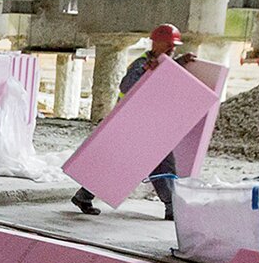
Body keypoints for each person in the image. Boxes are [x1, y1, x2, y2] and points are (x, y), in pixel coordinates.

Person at [71, 23, 196, 221]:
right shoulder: (142, 64)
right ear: (156, 43)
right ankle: (171, 207)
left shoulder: (163, 62)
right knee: (149, 162)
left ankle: (84, 195)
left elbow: (166, 74)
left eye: (175, 46)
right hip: (132, 123)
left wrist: (180, 62)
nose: (173, 48)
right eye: (169, 44)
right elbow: (128, 85)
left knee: (143, 162)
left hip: (147, 124)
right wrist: (148, 71)